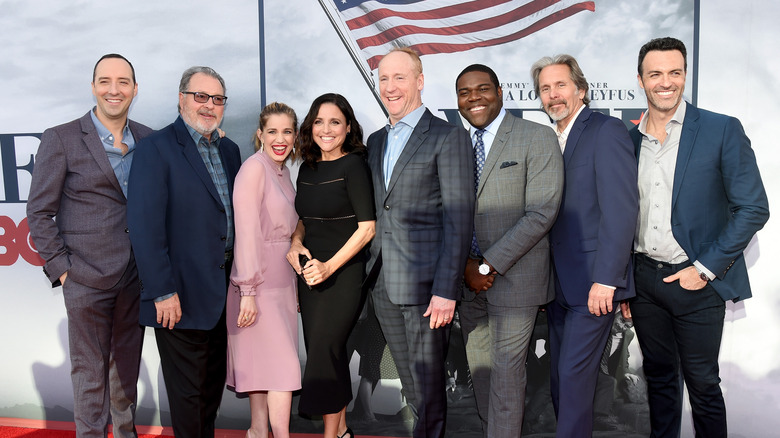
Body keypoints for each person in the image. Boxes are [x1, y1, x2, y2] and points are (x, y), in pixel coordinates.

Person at [623, 37, 769, 438]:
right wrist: (626, 284)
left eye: (675, 72)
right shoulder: (628, 141)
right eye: (655, 74)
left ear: (685, 76)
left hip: (697, 281)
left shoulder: (721, 129)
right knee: (659, 381)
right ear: (641, 80)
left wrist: (702, 270)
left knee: (703, 385)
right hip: (644, 282)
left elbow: (754, 208)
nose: (665, 82)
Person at [26, 54, 150, 438]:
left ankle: (125, 433)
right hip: (84, 277)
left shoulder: (149, 139)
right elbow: (38, 212)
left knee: (125, 367)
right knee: (89, 370)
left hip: (135, 276)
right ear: (93, 86)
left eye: (124, 81)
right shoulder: (61, 138)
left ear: (134, 88)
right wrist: (62, 270)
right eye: (106, 81)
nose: (115, 90)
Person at [365, 47, 475, 438]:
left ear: (420, 81)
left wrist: (446, 291)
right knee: (412, 387)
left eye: (399, 78)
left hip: (429, 291)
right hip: (383, 286)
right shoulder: (376, 140)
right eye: (384, 79)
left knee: (428, 389)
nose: (390, 87)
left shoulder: (449, 137)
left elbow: (459, 221)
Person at [127, 66, 241, 438]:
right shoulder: (156, 149)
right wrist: (161, 290)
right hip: (177, 296)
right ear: (181, 98)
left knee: (210, 389)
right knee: (188, 398)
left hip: (222, 293)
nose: (209, 105)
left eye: (217, 99)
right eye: (201, 96)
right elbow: (144, 226)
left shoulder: (230, 149)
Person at [530, 54, 639, 438]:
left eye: (560, 85)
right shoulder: (548, 139)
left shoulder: (605, 130)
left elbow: (621, 210)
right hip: (557, 286)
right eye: (545, 88)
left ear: (581, 89)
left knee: (574, 380)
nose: (553, 94)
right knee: (561, 380)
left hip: (594, 285)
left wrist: (608, 278)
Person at [455, 63, 563, 438]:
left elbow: (541, 212)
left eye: (482, 89)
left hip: (516, 281)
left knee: (505, 374)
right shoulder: (456, 142)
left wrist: (486, 267)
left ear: (500, 92)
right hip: (467, 285)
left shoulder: (536, 137)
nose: (474, 98)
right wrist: (466, 267)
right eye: (465, 92)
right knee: (482, 377)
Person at [286, 93, 376, 438]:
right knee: (329, 353)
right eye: (319, 121)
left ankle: (330, 435)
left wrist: (329, 267)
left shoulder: (353, 165)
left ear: (348, 127)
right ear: (311, 126)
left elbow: (367, 228)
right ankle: (340, 433)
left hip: (343, 274)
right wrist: (295, 243)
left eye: (335, 121)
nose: (326, 129)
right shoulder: (306, 169)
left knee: (324, 351)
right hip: (310, 275)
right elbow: (305, 219)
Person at [226, 102, 301, 438]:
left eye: (287, 131)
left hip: (281, 283)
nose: (280, 138)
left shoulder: (283, 171)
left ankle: (258, 431)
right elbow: (246, 232)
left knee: (263, 367)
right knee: (282, 368)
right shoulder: (254, 169)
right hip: (256, 282)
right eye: (273, 131)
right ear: (260, 135)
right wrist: (248, 291)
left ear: (296, 136)